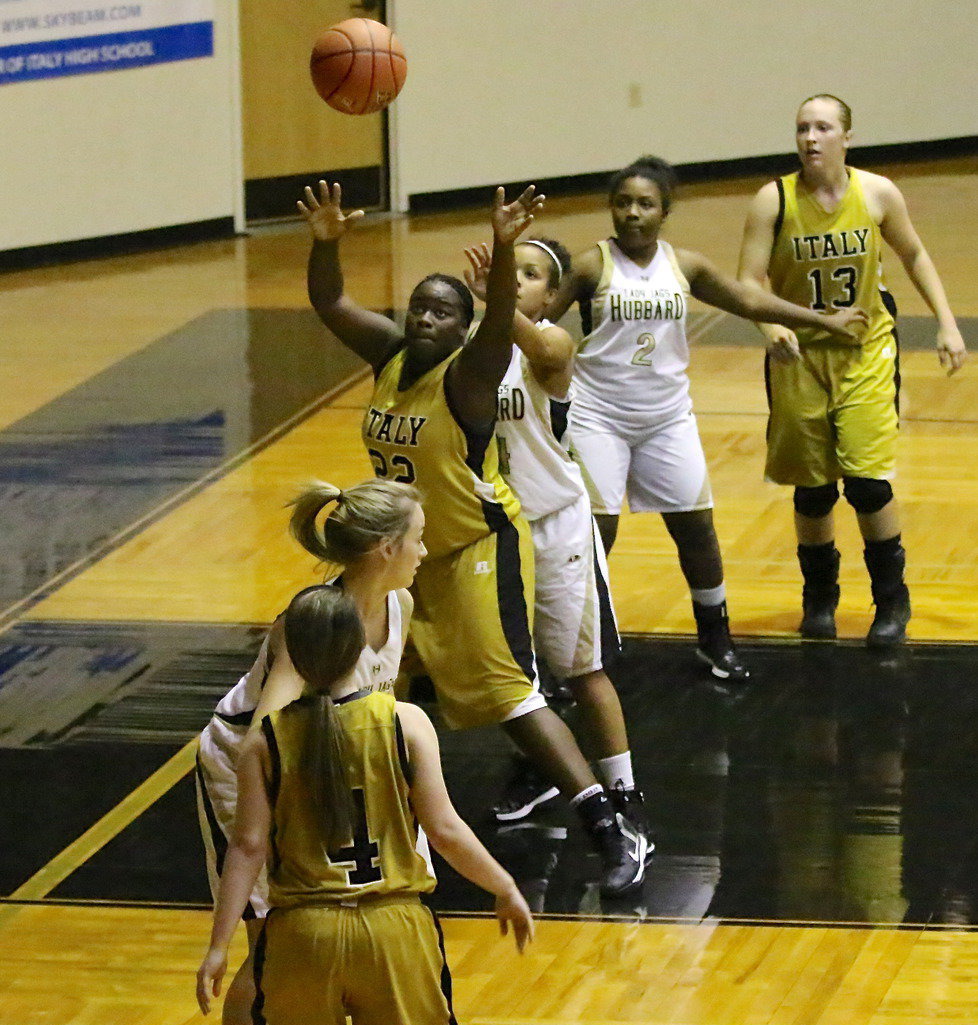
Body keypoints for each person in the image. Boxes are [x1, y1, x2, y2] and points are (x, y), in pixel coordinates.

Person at [299, 180, 650, 894]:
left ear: (464, 329)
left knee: (510, 694)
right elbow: (331, 303)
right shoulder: (393, 357)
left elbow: (499, 328)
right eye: (419, 307)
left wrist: (501, 252)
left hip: (476, 552)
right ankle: (360, 824)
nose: (427, 317)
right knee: (368, 683)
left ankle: (611, 825)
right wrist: (327, 242)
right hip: (404, 557)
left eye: (443, 310)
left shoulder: (471, 377)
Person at [184, 478, 499, 1025]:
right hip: (255, 769)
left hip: (337, 759)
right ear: (388, 547)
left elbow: (379, 706)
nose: (425, 549)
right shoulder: (311, 620)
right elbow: (269, 733)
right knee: (274, 944)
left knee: (405, 901)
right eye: (418, 538)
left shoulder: (399, 601)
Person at [546, 155, 867, 682]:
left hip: (667, 418)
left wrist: (821, 321)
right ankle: (573, 653)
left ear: (664, 212)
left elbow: (746, 298)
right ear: (611, 209)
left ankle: (715, 639)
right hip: (598, 417)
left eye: (645, 204)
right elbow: (537, 320)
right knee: (593, 538)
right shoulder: (590, 265)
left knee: (697, 528)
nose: (632, 213)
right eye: (622, 202)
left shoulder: (685, 266)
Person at [737, 94, 967, 646]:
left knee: (867, 485)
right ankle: (820, 598)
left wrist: (946, 321)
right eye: (802, 128)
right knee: (813, 491)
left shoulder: (877, 192)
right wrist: (773, 330)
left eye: (823, 128)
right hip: (800, 358)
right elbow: (748, 281)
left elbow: (914, 254)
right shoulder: (773, 201)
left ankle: (892, 600)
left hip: (865, 353)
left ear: (847, 136)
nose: (811, 138)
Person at [462, 234, 648, 834]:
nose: (515, 279)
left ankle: (623, 794)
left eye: (530, 274)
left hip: (556, 526)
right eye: (506, 272)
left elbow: (541, 344)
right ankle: (541, 769)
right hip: (494, 533)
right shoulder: (468, 348)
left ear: (552, 293)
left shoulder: (553, 345)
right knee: (516, 676)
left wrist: (494, 297)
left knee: (583, 671)